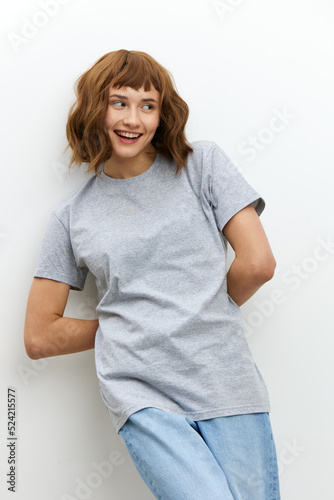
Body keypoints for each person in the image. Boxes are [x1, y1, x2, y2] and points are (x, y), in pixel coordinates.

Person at [24, 49, 281, 499]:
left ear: (163, 116)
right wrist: (135, 323)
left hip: (227, 383)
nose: (133, 118)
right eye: (118, 101)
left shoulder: (202, 164)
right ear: (93, 109)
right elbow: (40, 336)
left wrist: (192, 309)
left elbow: (259, 264)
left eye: (148, 105)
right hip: (142, 395)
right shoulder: (71, 216)